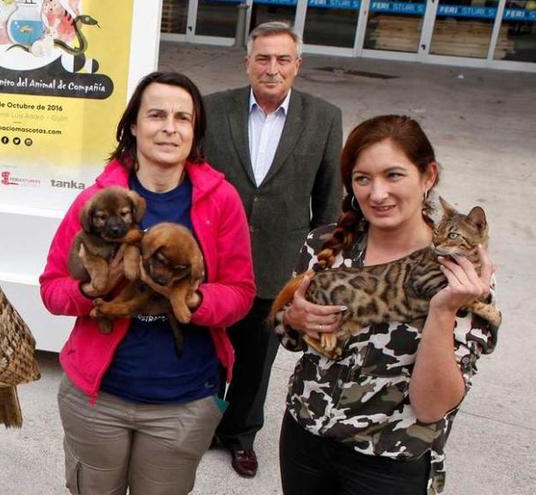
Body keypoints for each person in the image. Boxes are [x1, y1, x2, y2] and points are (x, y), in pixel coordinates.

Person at [40, 71, 256, 494]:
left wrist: (187, 297)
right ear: (133, 126)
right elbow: (52, 288)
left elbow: (241, 293)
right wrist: (93, 289)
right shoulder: (96, 199)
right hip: (100, 397)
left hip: (184, 400)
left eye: (183, 118)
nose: (170, 128)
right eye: (156, 115)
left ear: (195, 131)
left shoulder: (221, 199)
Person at [273, 115, 498, 494]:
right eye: (363, 179)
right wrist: (293, 318)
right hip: (305, 436)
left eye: (393, 175)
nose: (377, 194)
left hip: (390, 460)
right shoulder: (325, 244)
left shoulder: (465, 277)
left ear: (428, 177)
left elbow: (431, 408)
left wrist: (442, 312)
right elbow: (291, 341)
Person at [202, 21, 343, 478]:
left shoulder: (323, 117)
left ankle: (240, 436)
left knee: (256, 361)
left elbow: (329, 201)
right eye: (262, 58)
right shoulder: (212, 109)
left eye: (283, 59)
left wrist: (317, 271)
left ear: (297, 66)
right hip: (217, 260)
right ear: (247, 62)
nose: (272, 68)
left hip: (278, 262)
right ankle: (200, 426)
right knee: (207, 350)